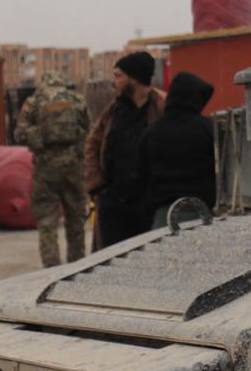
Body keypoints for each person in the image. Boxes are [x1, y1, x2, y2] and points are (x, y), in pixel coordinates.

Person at [84, 51, 164, 247]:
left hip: (148, 204)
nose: (113, 81)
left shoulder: (161, 107)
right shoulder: (112, 111)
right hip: (113, 204)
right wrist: (98, 186)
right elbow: (92, 145)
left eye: (118, 76)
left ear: (134, 79)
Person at [15, 72, 90, 266]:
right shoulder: (77, 99)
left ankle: (51, 270)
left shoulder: (33, 102)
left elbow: (19, 135)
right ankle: (77, 267)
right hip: (73, 165)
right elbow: (88, 129)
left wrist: (38, 136)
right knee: (76, 220)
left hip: (45, 167)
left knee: (47, 222)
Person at [137, 71, 216, 229]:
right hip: (202, 215)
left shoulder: (151, 133)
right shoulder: (208, 129)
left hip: (162, 218)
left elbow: (141, 179)